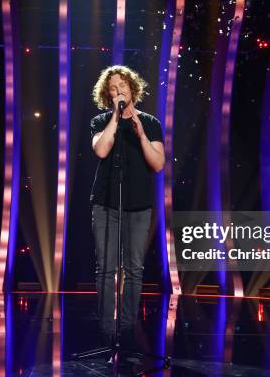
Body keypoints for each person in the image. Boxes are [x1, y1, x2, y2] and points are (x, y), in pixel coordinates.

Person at [89, 65, 165, 346]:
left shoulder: (151, 122)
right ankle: (108, 331)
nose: (119, 89)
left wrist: (141, 132)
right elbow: (101, 150)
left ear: (133, 88)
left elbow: (158, 164)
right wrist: (115, 118)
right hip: (105, 204)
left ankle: (128, 328)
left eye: (123, 85)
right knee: (106, 269)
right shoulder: (100, 121)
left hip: (139, 205)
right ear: (107, 95)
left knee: (134, 268)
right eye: (113, 87)